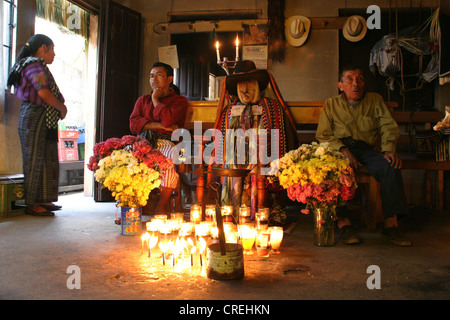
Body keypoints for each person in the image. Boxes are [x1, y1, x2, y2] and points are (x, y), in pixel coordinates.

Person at [316, 64, 412, 246]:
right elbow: (323, 135)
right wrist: (343, 150)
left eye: (359, 79)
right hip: (340, 149)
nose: (355, 84)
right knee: (335, 171)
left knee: (389, 166)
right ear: (340, 85)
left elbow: (388, 126)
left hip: (366, 149)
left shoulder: (375, 100)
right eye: (349, 80)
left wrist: (388, 149)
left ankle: (391, 225)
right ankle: (344, 224)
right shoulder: (331, 104)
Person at [213, 60, 299, 226]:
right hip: (236, 160)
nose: (245, 90)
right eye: (241, 85)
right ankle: (233, 213)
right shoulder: (229, 110)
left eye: (250, 85)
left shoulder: (271, 107)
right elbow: (222, 140)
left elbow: (278, 140)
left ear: (258, 86)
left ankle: (263, 212)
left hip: (263, 157)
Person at [7, 34, 67, 216]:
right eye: (52, 49)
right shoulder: (34, 65)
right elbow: (43, 92)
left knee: (46, 158)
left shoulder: (33, 65)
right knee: (34, 159)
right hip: (35, 116)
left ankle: (43, 199)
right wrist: (61, 107)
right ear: (43, 47)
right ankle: (32, 203)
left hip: (43, 117)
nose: (54, 54)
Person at [129, 62, 188, 215]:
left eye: (159, 75)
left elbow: (168, 120)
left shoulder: (179, 101)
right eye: (151, 76)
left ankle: (162, 204)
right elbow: (134, 124)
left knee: (168, 159)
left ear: (170, 79)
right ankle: (134, 203)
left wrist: (155, 100)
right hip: (143, 142)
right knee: (126, 158)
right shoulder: (142, 100)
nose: (154, 79)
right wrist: (160, 126)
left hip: (166, 142)